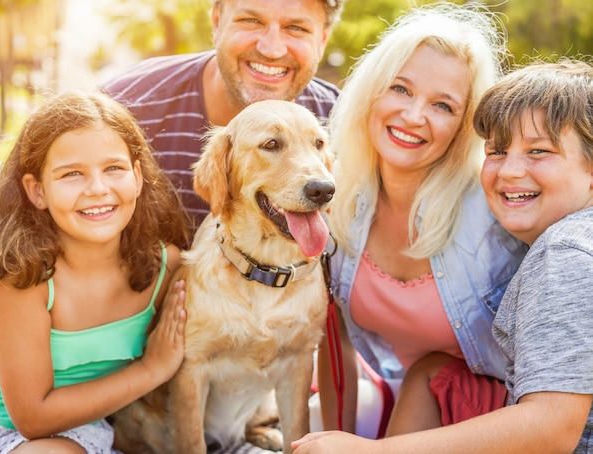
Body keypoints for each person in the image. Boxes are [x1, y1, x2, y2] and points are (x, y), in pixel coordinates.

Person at [292, 57, 593, 454]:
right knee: (434, 373)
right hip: (478, 392)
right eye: (497, 151)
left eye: (538, 151)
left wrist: (370, 451)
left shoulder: (564, 253)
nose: (509, 171)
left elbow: (552, 430)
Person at [310, 1, 529, 441]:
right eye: (401, 89)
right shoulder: (337, 200)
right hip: (409, 406)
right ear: (372, 90)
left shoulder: (495, 214)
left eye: (443, 106)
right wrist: (335, 440)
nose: (413, 117)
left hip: (504, 419)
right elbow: (335, 346)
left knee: (430, 374)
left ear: (464, 126)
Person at [0, 91, 189, 453]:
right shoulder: (23, 276)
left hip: (73, 429)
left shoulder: (166, 267)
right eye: (72, 174)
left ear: (137, 176)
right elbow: (33, 418)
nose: (97, 189)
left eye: (113, 169)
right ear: (37, 191)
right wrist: (151, 369)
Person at [102, 0, 345, 232]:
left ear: (322, 39)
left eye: (296, 28)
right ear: (217, 22)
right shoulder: (125, 107)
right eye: (251, 20)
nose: (272, 50)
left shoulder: (343, 119)